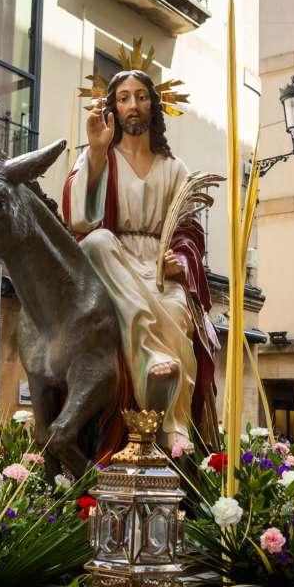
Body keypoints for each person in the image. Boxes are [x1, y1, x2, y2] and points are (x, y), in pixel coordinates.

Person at [63, 69, 218, 451]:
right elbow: (78, 218)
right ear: (112, 108)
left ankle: (175, 423)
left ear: (154, 104)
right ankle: (149, 359)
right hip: (113, 263)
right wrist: (96, 151)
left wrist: (180, 261)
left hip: (157, 269)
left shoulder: (174, 168)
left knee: (179, 309)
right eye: (124, 98)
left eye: (141, 96)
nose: (133, 104)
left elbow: (190, 229)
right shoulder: (100, 156)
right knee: (97, 242)